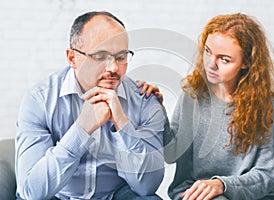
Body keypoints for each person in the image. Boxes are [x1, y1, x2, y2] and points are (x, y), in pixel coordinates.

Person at [15, 11, 165, 200]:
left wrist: (122, 124)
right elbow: (31, 192)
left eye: (121, 57)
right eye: (100, 56)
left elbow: (147, 187)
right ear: (72, 58)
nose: (113, 68)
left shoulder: (144, 99)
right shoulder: (40, 100)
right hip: (59, 195)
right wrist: (81, 130)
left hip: (116, 195)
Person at [140, 13, 274, 200]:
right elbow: (171, 153)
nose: (210, 65)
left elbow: (266, 175)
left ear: (246, 63)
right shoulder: (193, 94)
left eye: (224, 59)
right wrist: (155, 108)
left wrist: (222, 185)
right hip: (193, 192)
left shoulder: (262, 105)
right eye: (207, 51)